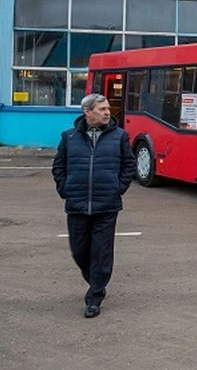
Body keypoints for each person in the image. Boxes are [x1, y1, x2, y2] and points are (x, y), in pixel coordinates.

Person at [51, 93, 136, 318]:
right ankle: (96, 281)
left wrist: (118, 188)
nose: (108, 112)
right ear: (87, 112)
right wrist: (65, 189)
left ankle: (95, 296)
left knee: (102, 252)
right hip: (77, 204)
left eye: (108, 108)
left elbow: (129, 165)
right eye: (102, 109)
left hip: (107, 205)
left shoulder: (120, 136)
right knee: (79, 251)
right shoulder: (69, 137)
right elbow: (58, 166)